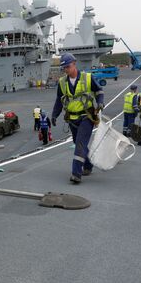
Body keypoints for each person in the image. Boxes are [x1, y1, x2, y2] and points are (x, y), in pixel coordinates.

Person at [51, 53, 104, 184]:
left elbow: (99, 91)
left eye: (68, 67)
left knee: (80, 143)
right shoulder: (62, 82)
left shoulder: (88, 78)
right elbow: (59, 99)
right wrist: (54, 114)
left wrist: (100, 102)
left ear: (74, 64)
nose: (66, 70)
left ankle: (76, 173)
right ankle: (87, 166)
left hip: (87, 116)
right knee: (78, 142)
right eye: (64, 68)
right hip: (72, 118)